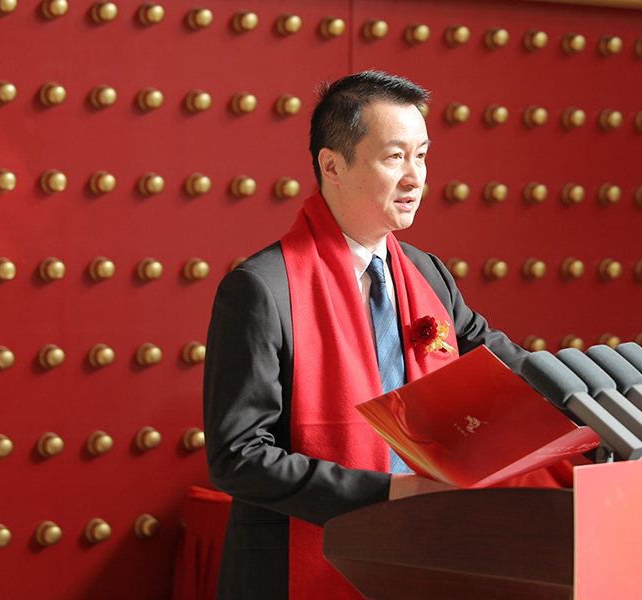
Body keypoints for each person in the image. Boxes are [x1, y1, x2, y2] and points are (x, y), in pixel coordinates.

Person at [202, 71, 533, 600]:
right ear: (332, 165)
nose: (415, 177)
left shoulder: (426, 274)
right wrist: (391, 494)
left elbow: (509, 367)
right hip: (295, 566)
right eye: (395, 157)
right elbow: (238, 456)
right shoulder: (263, 288)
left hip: (422, 551)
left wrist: (606, 409)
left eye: (422, 156)